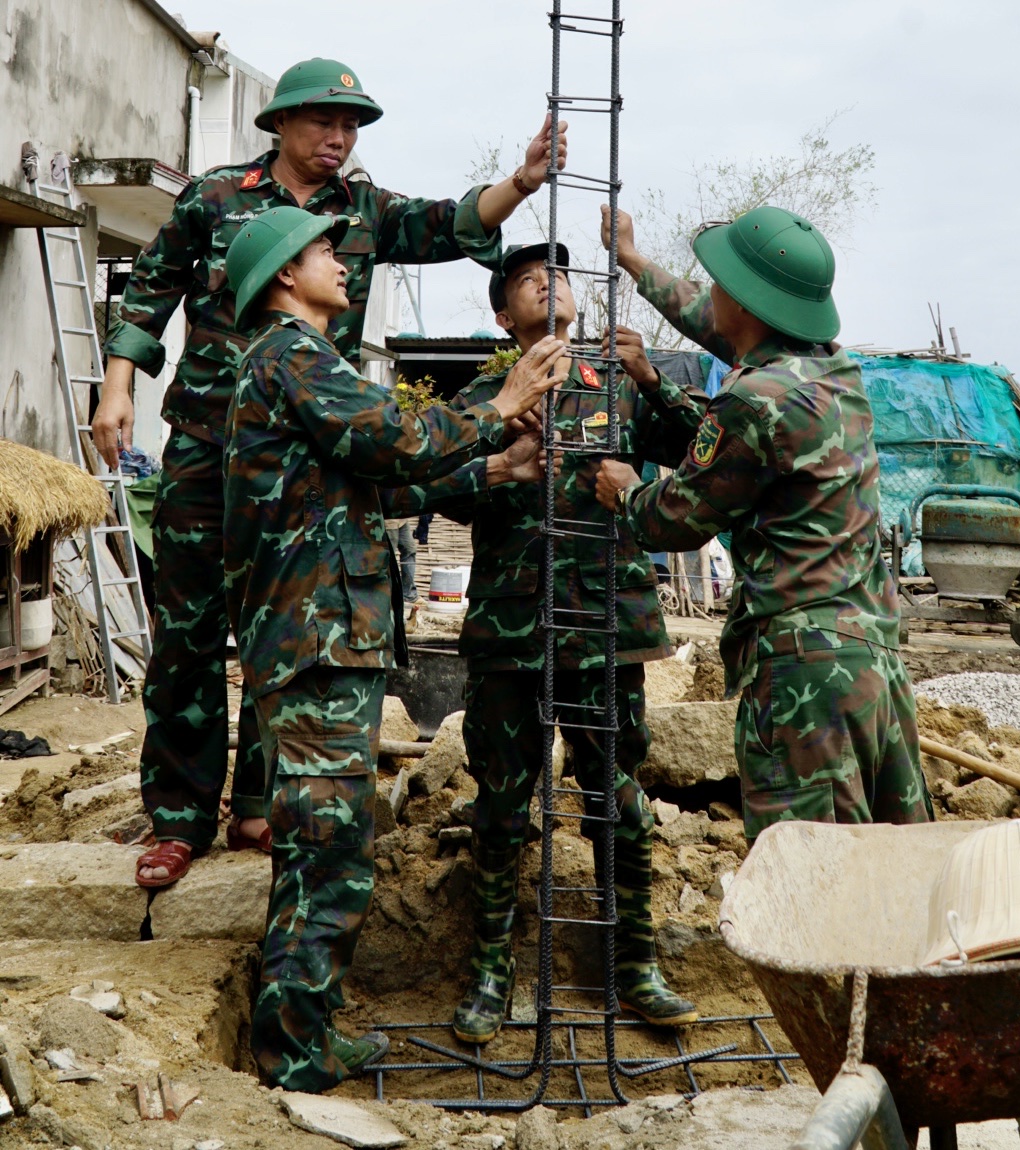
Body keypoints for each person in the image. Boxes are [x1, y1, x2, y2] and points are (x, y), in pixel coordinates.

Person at [91, 55, 567, 889]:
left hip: (314, 462)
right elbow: (149, 293)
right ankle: (177, 814)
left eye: (351, 127)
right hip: (209, 445)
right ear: (279, 125)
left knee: (290, 630)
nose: (339, 139)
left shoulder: (363, 208)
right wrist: (118, 388)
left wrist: (521, 184)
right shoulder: (215, 198)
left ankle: (260, 802)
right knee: (190, 634)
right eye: (324, 123)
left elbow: (452, 224)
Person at [222, 207, 566, 1091]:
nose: (343, 260)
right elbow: (393, 439)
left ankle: (305, 1026)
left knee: (324, 840)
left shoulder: (301, 363)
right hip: (317, 636)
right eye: (325, 250)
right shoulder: (291, 355)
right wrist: (499, 409)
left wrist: (494, 467)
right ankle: (296, 1052)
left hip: (324, 633)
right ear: (286, 276)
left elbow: (375, 478)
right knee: (328, 846)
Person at [386, 242, 707, 1043]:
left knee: (617, 800)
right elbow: (414, 487)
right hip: (511, 634)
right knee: (500, 807)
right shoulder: (484, 395)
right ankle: (491, 973)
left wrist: (654, 380)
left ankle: (634, 965)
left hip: (606, 631)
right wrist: (497, 465)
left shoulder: (621, 383)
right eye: (528, 279)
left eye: (558, 274)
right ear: (504, 315)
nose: (547, 283)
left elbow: (713, 455)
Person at [595, 205, 933, 846]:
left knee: (812, 871)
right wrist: (634, 263)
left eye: (721, 283)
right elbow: (723, 356)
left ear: (745, 303)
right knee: (895, 864)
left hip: (803, 677)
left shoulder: (754, 400)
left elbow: (678, 519)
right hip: (871, 661)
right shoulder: (835, 374)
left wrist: (627, 490)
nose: (712, 294)